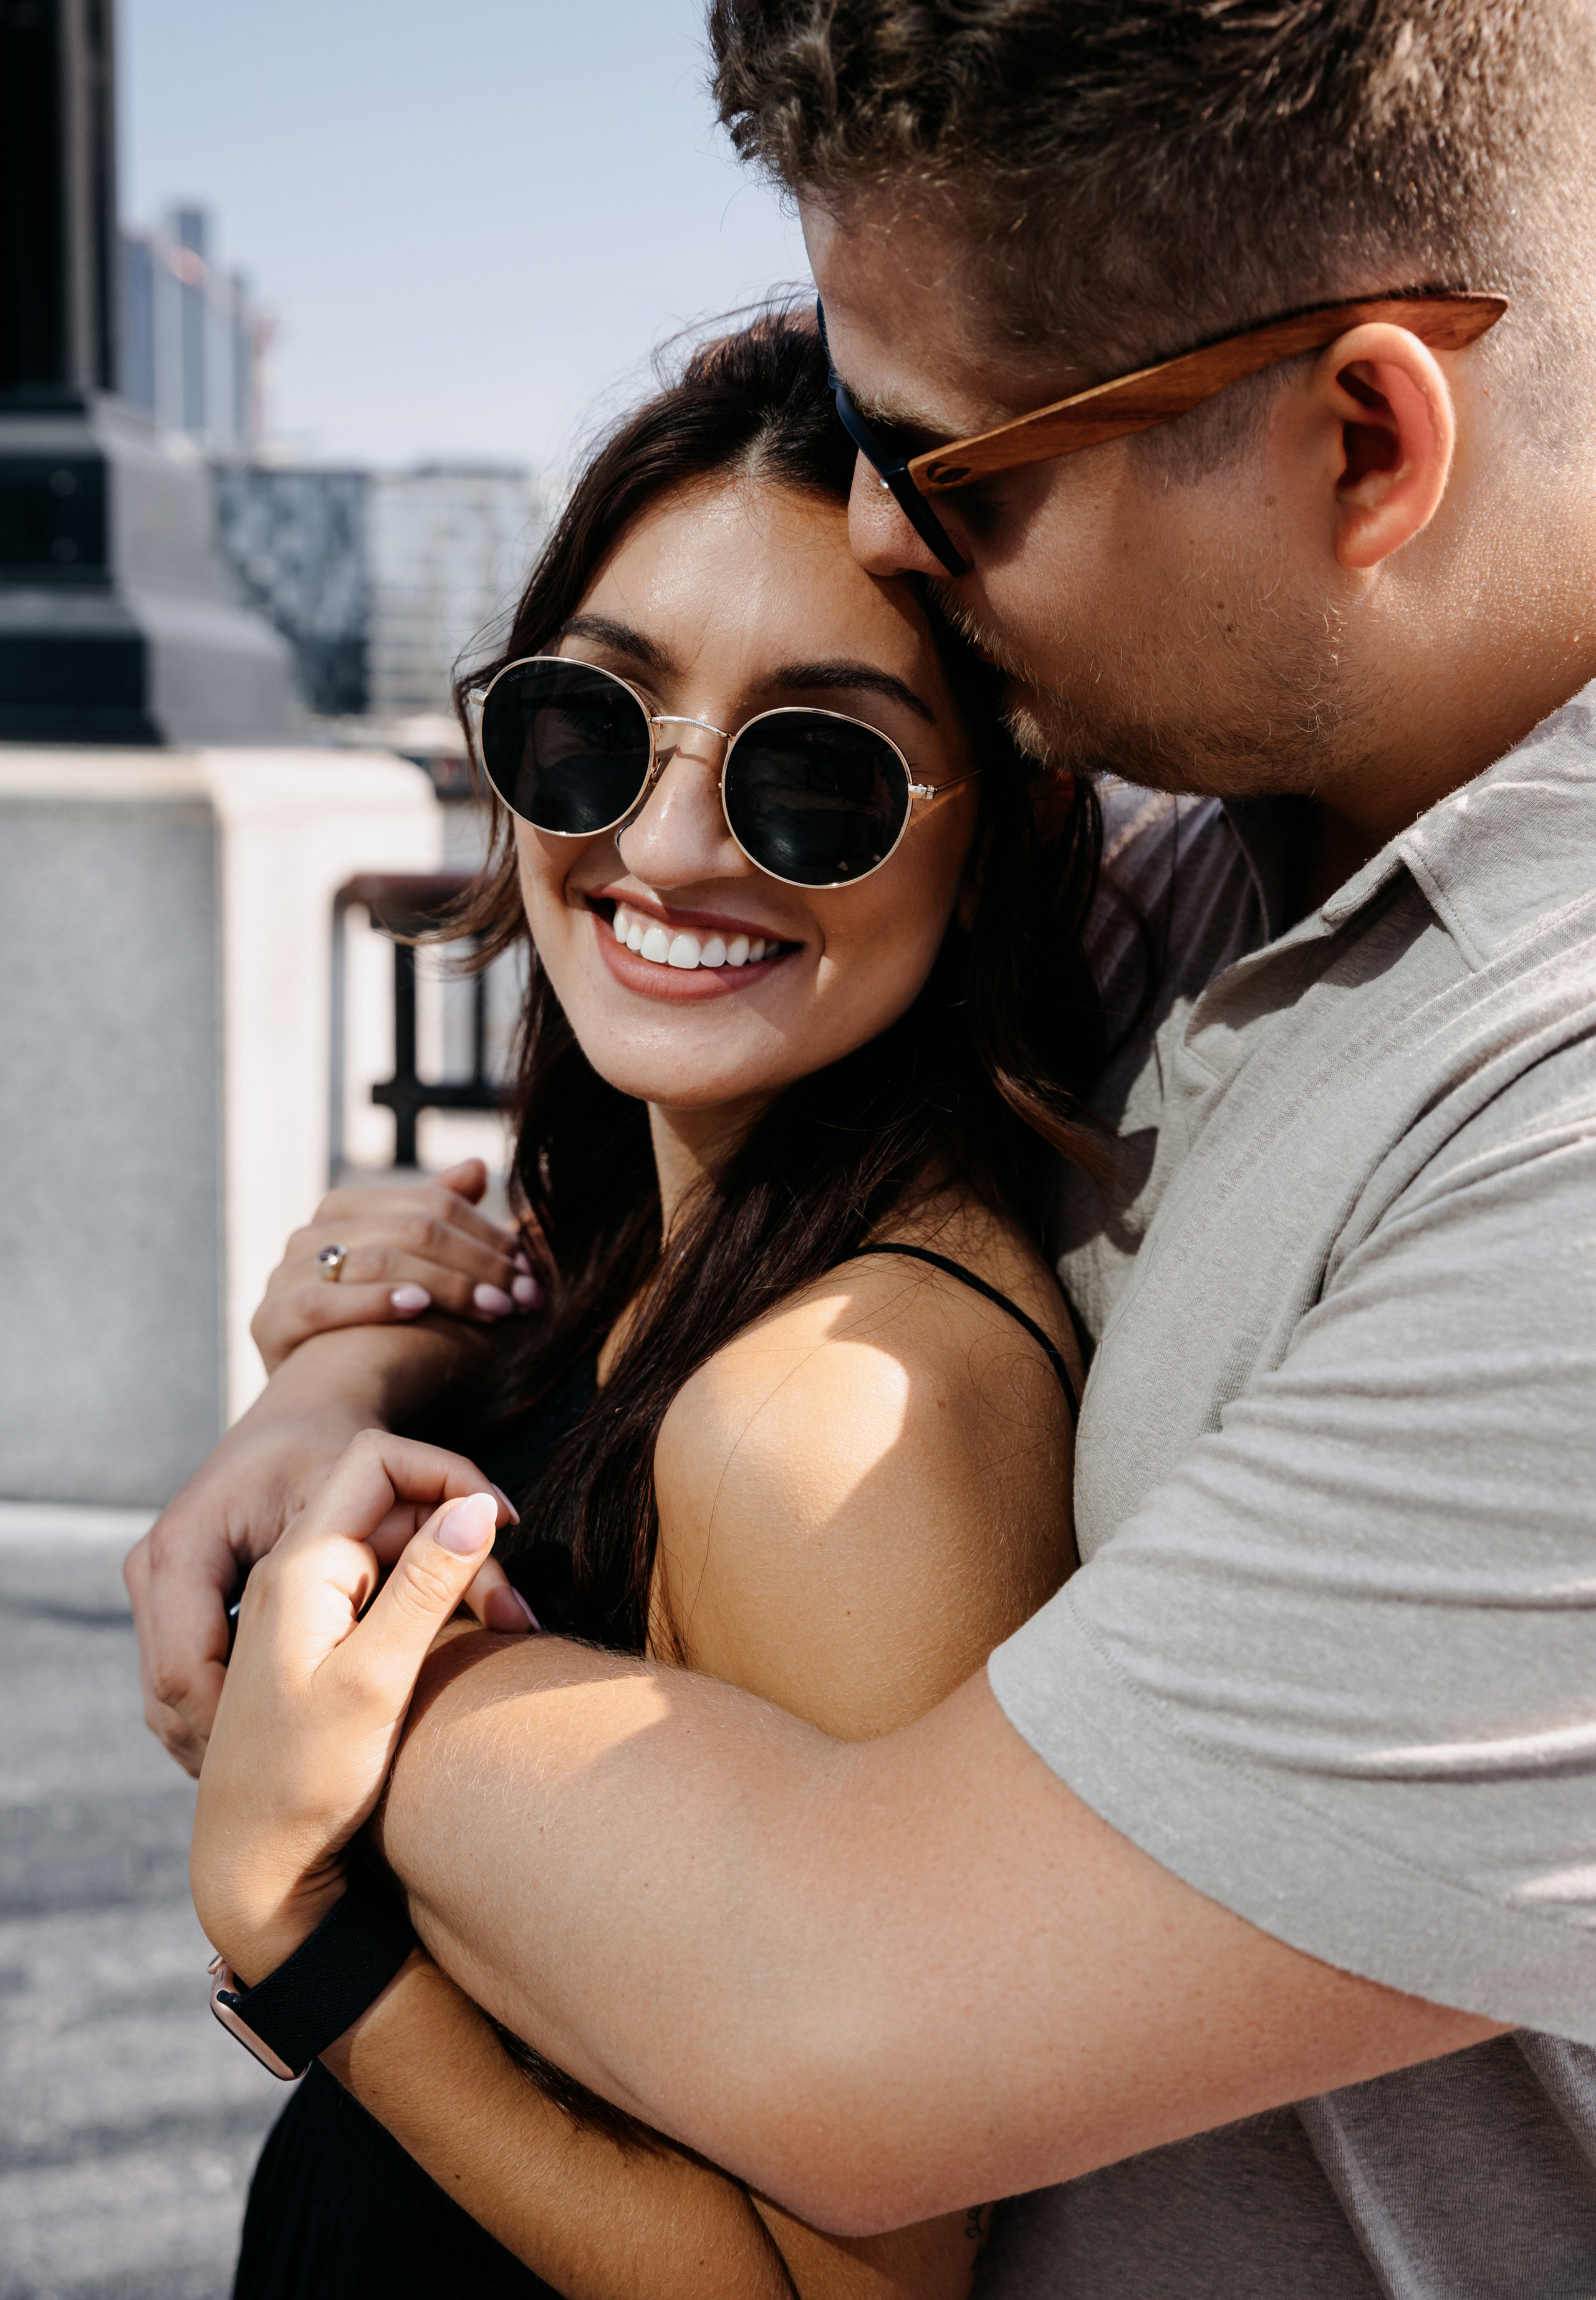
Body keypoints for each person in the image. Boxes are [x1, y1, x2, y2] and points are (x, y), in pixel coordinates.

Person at [130, 0, 1596, 2291]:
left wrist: (342, 1698)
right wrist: (372, 1367)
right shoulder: (1187, 853)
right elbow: (734, 1060)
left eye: (956, 472)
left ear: (1362, 439)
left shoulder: (1558, 1135)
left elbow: (853, 2018)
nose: (884, 527)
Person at [186, 311, 1099, 2298]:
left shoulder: (834, 1422)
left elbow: (858, 2289)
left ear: (1002, 825)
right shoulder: (682, 1226)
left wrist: (302, 1932)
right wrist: (348, 1363)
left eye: (818, 779)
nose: (667, 840)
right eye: (590, 727)